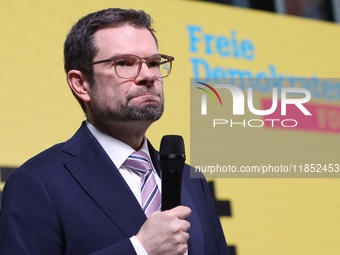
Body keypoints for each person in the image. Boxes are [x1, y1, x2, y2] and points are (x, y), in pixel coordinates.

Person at [0, 8, 229, 255]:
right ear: (81, 84)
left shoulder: (190, 180)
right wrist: (140, 249)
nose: (147, 76)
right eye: (124, 63)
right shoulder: (37, 183)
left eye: (153, 63)